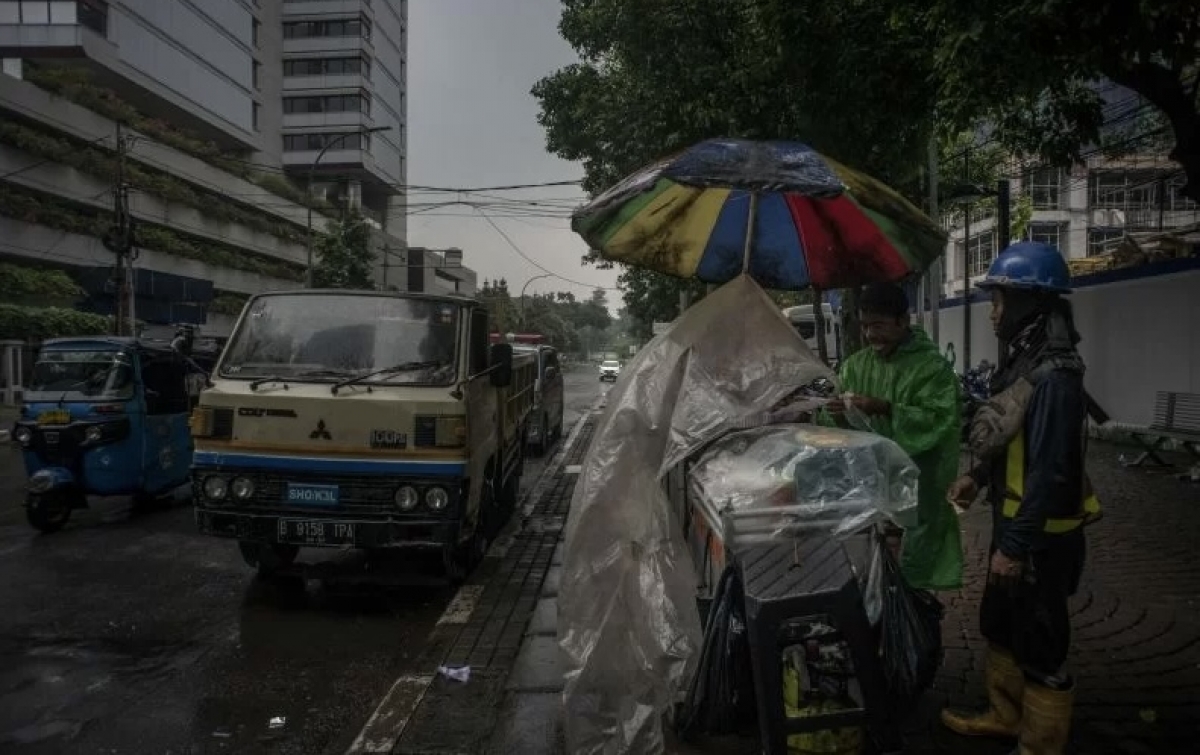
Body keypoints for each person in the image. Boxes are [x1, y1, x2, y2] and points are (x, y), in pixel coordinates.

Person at [941, 242, 1100, 755]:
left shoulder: (1056, 376)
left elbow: (1052, 473)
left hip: (1041, 539)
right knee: (1001, 624)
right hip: (1014, 526)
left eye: (1000, 300)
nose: (994, 312)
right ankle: (1005, 716)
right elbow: (1014, 441)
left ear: (1031, 304)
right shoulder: (1024, 363)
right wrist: (977, 478)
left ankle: (1039, 744)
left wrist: (1015, 547)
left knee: (1042, 644)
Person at [824, 282, 963, 592]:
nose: (871, 334)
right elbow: (840, 433)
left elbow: (940, 421)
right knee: (870, 581)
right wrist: (834, 413)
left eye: (879, 325)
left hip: (919, 492)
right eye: (864, 325)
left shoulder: (933, 369)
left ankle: (917, 634)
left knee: (915, 582)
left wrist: (884, 408)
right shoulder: (854, 367)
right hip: (870, 494)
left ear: (903, 321)